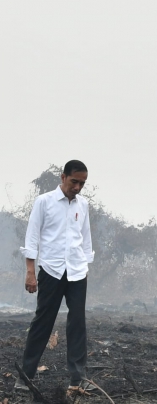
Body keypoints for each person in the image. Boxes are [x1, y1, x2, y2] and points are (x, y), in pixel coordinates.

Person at [17, 160, 94, 391]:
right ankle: (25, 377)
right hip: (51, 270)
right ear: (63, 177)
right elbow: (32, 238)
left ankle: (78, 379)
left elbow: (86, 238)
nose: (78, 187)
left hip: (77, 272)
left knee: (77, 324)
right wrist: (30, 273)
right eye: (74, 182)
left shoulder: (84, 205)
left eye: (82, 183)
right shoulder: (44, 202)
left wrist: (85, 265)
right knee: (43, 322)